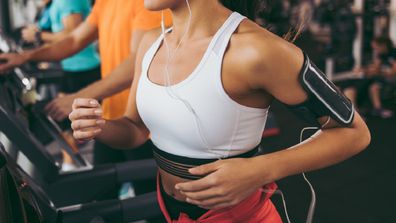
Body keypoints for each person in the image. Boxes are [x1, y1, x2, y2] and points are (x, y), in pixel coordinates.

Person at [69, 0, 370, 222]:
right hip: (170, 210)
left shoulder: (255, 50)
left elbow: (354, 132)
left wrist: (259, 170)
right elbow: (134, 131)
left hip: (239, 216)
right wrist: (101, 127)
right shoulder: (152, 42)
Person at [0, 0, 171, 199]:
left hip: (142, 123)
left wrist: (79, 96)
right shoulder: (105, 3)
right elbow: (74, 39)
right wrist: (25, 57)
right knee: (102, 196)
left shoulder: (147, 3)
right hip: (110, 119)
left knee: (150, 202)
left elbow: (138, 61)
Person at [22, 0, 101, 94]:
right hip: (71, 65)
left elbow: (72, 36)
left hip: (81, 68)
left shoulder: (67, 1)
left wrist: (38, 36)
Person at [341, 36, 396, 118]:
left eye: (376, 48)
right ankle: (355, 111)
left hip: (390, 78)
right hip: (381, 77)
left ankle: (368, 110)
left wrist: (377, 72)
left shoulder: (394, 53)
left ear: (383, 45)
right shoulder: (381, 54)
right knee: (352, 83)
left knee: (372, 85)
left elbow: (393, 72)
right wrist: (364, 69)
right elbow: (376, 67)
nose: (375, 50)